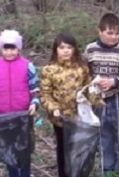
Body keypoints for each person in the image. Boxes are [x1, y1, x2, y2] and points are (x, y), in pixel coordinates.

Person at [40, 32, 103, 177]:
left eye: (69, 47)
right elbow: (45, 94)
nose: (66, 50)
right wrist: (53, 108)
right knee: (63, 149)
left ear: (74, 49)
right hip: (60, 119)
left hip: (79, 118)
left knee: (79, 148)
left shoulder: (82, 69)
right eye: (62, 47)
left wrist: (96, 100)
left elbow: (89, 89)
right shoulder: (49, 70)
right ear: (56, 49)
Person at [83, 13, 119, 176]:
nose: (114, 37)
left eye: (117, 33)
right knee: (104, 137)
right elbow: (85, 74)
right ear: (100, 31)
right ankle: (107, 170)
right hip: (99, 101)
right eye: (109, 33)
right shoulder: (90, 49)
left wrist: (113, 82)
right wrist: (94, 86)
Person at [0, 29, 40, 177]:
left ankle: (25, 174)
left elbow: (35, 89)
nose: (9, 52)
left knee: (24, 149)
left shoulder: (28, 66)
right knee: (8, 149)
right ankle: (13, 174)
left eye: (12, 48)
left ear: (18, 48)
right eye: (5, 48)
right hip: (3, 117)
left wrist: (34, 103)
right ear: (1, 48)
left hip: (23, 116)